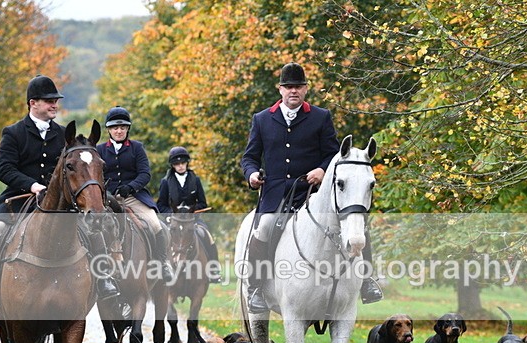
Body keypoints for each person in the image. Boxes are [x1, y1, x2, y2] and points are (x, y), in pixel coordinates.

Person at [240, 62, 383, 313]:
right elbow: (250, 157)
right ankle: (256, 288)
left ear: (306, 89)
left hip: (313, 192)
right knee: (264, 227)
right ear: (280, 89)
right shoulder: (262, 119)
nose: (293, 91)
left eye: (298, 86)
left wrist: (322, 170)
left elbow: (334, 155)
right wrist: (251, 174)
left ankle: (367, 281)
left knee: (357, 223)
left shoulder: (320, 116)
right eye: (288, 87)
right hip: (277, 194)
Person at [0, 75, 119, 308]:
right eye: (49, 101)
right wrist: (32, 185)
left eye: (56, 101)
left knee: (93, 231)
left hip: (59, 202)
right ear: (33, 103)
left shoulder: (63, 134)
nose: (54, 105)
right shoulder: (13, 133)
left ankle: (104, 280)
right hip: (19, 199)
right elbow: (4, 169)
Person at [96, 106, 173, 284]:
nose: (119, 131)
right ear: (109, 129)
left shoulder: (136, 147)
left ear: (127, 129)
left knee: (155, 224)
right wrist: (107, 192)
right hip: (107, 198)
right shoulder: (99, 150)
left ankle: (162, 263)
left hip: (133, 197)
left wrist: (130, 187)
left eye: (122, 127)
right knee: (93, 226)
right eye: (115, 128)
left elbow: (145, 174)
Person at [157, 146, 222, 283]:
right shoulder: (165, 182)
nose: (180, 166)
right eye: (177, 164)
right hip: (173, 220)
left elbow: (203, 203)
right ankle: (160, 269)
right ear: (173, 165)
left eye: (183, 163)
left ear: (187, 163)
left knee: (207, 236)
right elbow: (161, 205)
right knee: (161, 237)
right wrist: (171, 214)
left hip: (192, 219)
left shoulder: (195, 180)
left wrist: (189, 210)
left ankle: (214, 270)